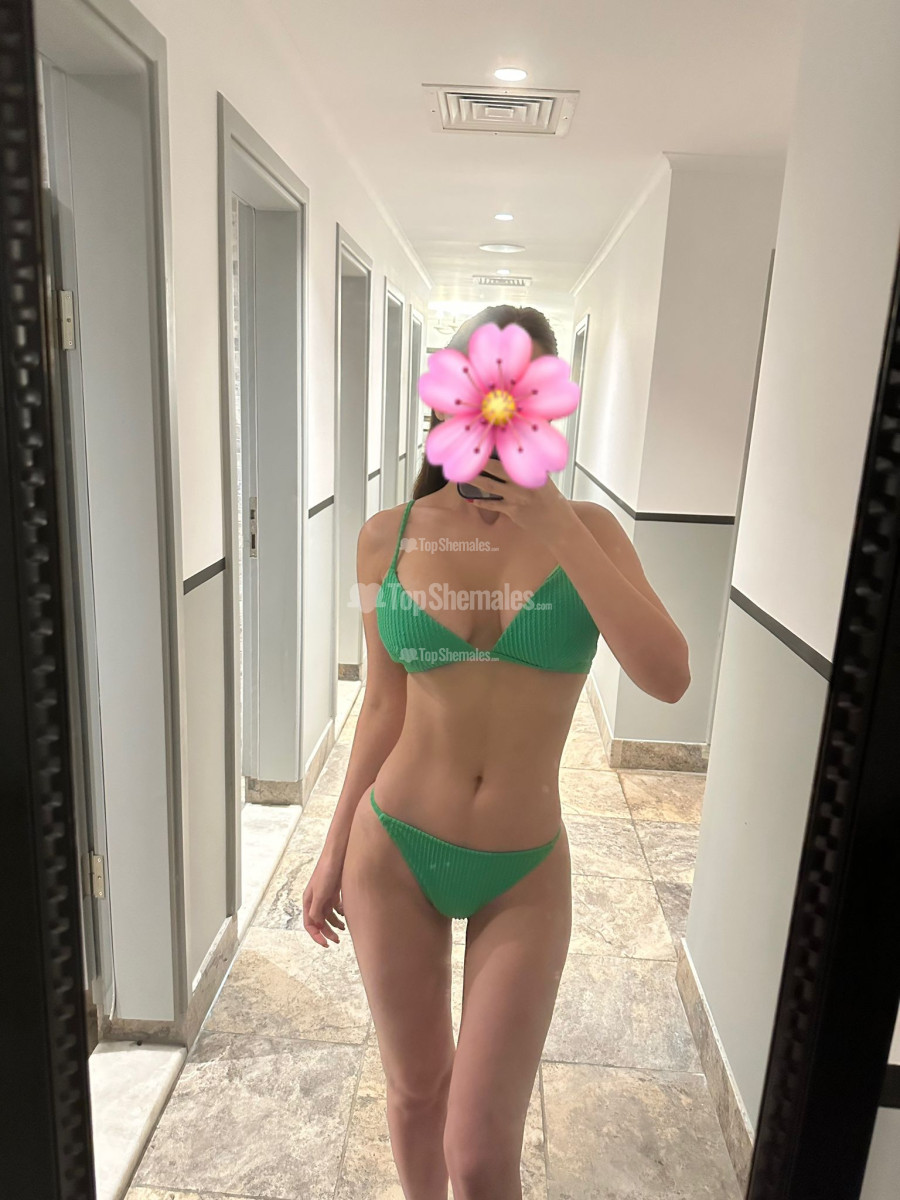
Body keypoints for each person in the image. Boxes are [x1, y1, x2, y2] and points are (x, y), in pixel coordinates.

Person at [303, 304, 691, 1200]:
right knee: (415, 1093)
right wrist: (331, 849)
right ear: (449, 405)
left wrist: (557, 529)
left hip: (523, 866)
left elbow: (668, 677)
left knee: (480, 1153)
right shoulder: (387, 535)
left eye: (530, 402)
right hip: (394, 848)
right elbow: (382, 705)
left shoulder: (592, 533)